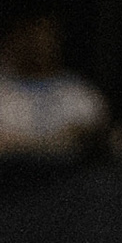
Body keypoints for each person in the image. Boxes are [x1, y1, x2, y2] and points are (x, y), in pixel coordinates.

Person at [0, 11, 110, 162]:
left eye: (45, 37)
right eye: (30, 36)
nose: (37, 45)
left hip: (70, 174)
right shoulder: (3, 88)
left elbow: (93, 135)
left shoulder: (79, 92)